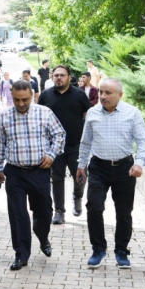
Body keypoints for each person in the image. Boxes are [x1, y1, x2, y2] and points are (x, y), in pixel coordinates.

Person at [76, 78, 145, 269]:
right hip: (98, 168)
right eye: (101, 92)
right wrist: (81, 164)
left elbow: (143, 141)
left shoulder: (132, 113)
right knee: (94, 207)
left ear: (120, 95)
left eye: (108, 93)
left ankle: (121, 251)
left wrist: (139, 163)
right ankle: (98, 249)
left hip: (125, 169)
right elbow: (85, 142)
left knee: (123, 212)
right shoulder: (92, 113)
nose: (103, 96)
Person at [0, 80, 66, 270]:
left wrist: (51, 155)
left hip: (39, 171)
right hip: (14, 172)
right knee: (17, 214)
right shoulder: (4, 116)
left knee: (44, 211)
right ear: (12, 96)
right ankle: (21, 255)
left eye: (25, 99)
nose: (21, 103)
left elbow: (60, 135)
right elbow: (0, 143)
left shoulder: (44, 113)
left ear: (32, 95)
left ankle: (42, 236)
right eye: (17, 100)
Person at [38, 65, 92, 224]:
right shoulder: (45, 95)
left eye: (62, 75)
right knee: (57, 178)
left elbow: (88, 118)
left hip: (76, 145)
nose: (59, 78)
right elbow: (39, 119)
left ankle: (77, 197)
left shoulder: (79, 95)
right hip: (54, 147)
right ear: (52, 77)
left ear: (69, 77)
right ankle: (59, 211)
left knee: (80, 176)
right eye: (56, 75)